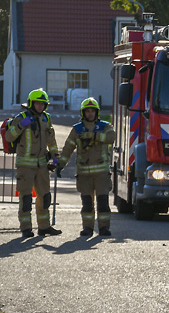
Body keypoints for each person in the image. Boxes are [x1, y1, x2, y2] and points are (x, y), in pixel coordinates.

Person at [5, 88, 61, 238]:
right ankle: (26, 229)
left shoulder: (46, 119)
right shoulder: (21, 117)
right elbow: (9, 137)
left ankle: (44, 227)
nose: (40, 106)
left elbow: (52, 140)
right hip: (25, 166)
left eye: (42, 104)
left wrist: (56, 157)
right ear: (31, 103)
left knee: (45, 197)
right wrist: (21, 125)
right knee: (26, 198)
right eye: (37, 103)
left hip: (42, 166)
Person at [57, 98, 116, 236]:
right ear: (83, 113)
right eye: (88, 111)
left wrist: (94, 136)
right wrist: (61, 165)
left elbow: (111, 138)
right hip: (84, 174)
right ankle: (87, 228)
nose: (90, 114)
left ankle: (104, 228)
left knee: (103, 203)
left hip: (101, 173)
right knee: (87, 204)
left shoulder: (105, 126)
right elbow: (68, 148)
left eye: (93, 111)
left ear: (97, 112)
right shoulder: (77, 129)